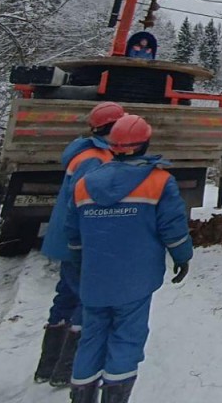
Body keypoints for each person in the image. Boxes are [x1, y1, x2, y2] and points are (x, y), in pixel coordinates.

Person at [66, 114, 193, 403]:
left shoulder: (84, 184)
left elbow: (72, 233)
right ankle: (115, 395)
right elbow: (172, 227)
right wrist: (182, 256)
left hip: (95, 278)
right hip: (136, 279)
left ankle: (81, 395)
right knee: (127, 338)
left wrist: (78, 263)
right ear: (145, 143)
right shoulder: (159, 181)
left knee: (91, 338)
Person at [35, 101, 126, 387]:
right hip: (82, 242)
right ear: (112, 127)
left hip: (68, 239)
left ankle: (48, 366)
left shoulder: (85, 151)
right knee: (87, 300)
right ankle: (68, 368)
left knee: (66, 296)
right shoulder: (94, 158)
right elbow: (88, 205)